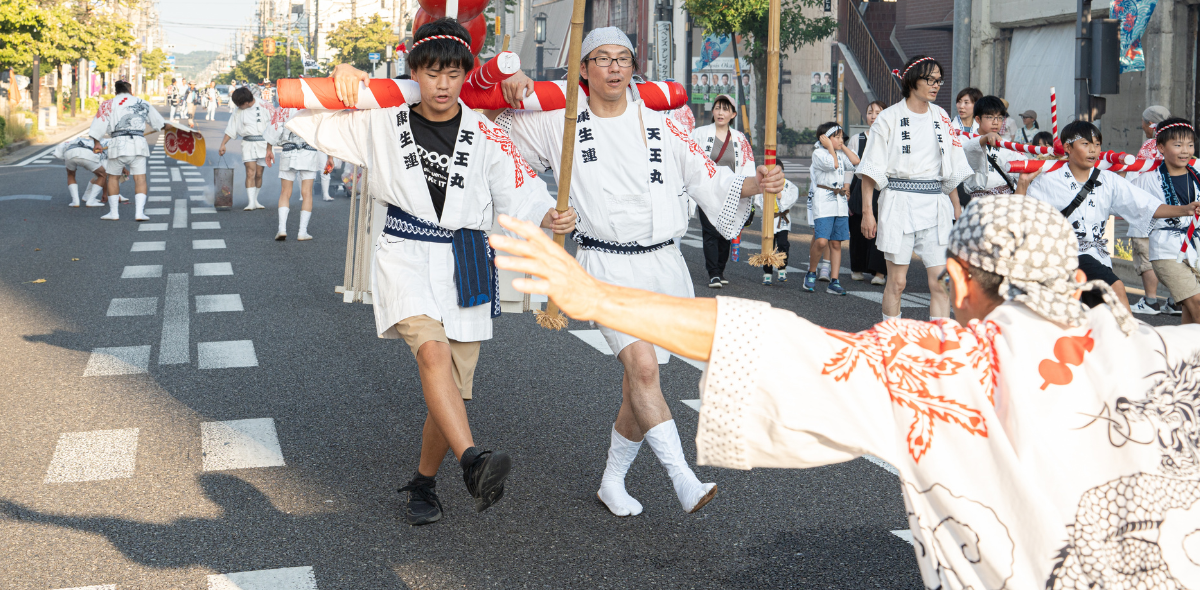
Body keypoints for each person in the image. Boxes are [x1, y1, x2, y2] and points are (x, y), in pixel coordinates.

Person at [489, 195, 1200, 590]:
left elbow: (773, 345)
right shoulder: (1176, 350)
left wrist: (594, 295)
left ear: (957, 280)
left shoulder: (944, 362)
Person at [290, 18, 573, 525]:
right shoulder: (380, 122)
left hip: (464, 260)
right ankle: (472, 462)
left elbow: (522, 192)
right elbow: (300, 114)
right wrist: (339, 78)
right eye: (431, 72)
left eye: (453, 73)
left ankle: (424, 482)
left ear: (466, 75)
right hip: (405, 253)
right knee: (433, 352)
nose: (443, 84)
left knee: (453, 391)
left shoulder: (486, 132)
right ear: (414, 73)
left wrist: (549, 216)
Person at [497, 26, 786, 518]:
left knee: (638, 385)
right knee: (645, 369)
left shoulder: (663, 125)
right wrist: (543, 205)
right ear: (583, 69)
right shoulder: (560, 120)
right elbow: (496, 143)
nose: (613, 68)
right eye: (601, 59)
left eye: (623, 59)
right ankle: (683, 479)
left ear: (634, 68)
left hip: (663, 264)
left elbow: (710, 179)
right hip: (603, 263)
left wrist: (757, 185)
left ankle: (612, 481)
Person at [1022, 120, 1200, 310]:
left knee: (1099, 313)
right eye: (1086, 144)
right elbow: (1022, 216)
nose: (1093, 150)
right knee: (1115, 291)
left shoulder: (1108, 180)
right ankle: (1130, 336)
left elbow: (1145, 205)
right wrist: (1023, 185)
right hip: (1063, 254)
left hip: (1097, 256)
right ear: (1068, 147)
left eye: (1097, 144)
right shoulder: (1047, 180)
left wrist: (1186, 209)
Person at [858, 56, 972, 320]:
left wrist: (956, 205)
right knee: (897, 283)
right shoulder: (889, 117)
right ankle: (891, 340)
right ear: (912, 81)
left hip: (935, 204)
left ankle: (940, 344)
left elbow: (951, 165)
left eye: (939, 80)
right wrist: (867, 212)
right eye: (929, 80)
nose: (936, 85)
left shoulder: (941, 116)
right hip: (898, 201)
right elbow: (870, 169)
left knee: (941, 283)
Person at [1131, 117, 1199, 322]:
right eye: (1177, 145)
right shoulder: (1146, 180)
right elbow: (1137, 209)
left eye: (1190, 145)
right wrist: (1184, 210)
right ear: (1160, 146)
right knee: (1196, 301)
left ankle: (1187, 352)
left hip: (1196, 247)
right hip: (1166, 251)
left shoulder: (1198, 174)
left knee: (1190, 305)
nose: (1185, 151)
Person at [690, 93, 756, 288]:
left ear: (733, 114)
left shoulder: (739, 138)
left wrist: (749, 191)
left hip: (731, 191)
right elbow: (691, 158)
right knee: (710, 231)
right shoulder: (700, 133)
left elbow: (747, 164)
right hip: (707, 191)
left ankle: (720, 268)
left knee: (726, 232)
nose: (720, 112)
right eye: (718, 108)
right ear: (713, 111)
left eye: (725, 109)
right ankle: (714, 273)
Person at [88, 79, 165, 222]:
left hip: (117, 143)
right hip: (138, 143)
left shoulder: (108, 104)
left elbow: (97, 126)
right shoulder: (142, 103)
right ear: (131, 91)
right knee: (140, 178)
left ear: (115, 92)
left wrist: (97, 142)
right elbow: (159, 124)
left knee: (113, 178)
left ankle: (114, 213)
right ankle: (139, 213)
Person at [804, 122, 857, 294]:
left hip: (840, 202)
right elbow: (832, 165)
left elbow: (856, 162)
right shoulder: (818, 153)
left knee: (836, 243)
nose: (841, 140)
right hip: (824, 200)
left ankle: (834, 281)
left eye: (842, 136)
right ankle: (811, 272)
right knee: (821, 241)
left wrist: (842, 147)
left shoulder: (840, 154)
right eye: (837, 136)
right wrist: (830, 148)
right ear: (825, 138)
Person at [264, 106, 331, 241]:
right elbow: (324, 133)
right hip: (309, 153)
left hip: (288, 151)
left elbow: (273, 129)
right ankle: (302, 232)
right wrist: (330, 157)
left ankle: (282, 229)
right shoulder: (314, 106)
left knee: (285, 192)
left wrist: (269, 149)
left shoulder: (283, 109)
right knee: (307, 193)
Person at [848, 101, 886, 284]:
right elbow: (849, 167)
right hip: (859, 187)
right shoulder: (858, 139)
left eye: (878, 112)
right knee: (857, 228)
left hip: (882, 188)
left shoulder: (890, 138)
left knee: (882, 230)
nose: (873, 116)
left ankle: (879, 272)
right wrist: (846, 189)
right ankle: (857, 268)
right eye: (870, 112)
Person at [219, 85, 272, 211]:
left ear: (247, 102)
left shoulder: (265, 105)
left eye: (239, 104)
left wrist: (272, 145)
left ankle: (255, 200)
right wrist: (223, 144)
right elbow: (231, 128)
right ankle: (251, 202)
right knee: (250, 172)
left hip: (264, 144)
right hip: (248, 143)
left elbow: (274, 126)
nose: (238, 106)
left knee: (259, 174)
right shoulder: (238, 111)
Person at [961, 96, 1019, 201]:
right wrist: (985, 138)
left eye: (1000, 117)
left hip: (1004, 200)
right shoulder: (965, 140)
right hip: (977, 201)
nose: (996, 122)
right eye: (990, 117)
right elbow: (967, 150)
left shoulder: (1006, 145)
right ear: (978, 119)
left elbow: (1020, 167)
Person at [756, 178, 799, 285]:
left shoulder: (788, 184)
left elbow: (793, 196)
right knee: (768, 247)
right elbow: (758, 200)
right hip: (768, 219)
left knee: (783, 244)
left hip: (782, 220)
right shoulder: (764, 184)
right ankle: (767, 273)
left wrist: (782, 196)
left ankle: (782, 269)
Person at [57, 134, 109, 207]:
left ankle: (75, 201)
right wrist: (105, 194)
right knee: (102, 175)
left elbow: (58, 153)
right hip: (87, 154)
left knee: (70, 175)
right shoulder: (104, 142)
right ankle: (91, 201)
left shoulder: (71, 141)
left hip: (69, 152)